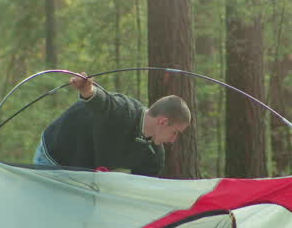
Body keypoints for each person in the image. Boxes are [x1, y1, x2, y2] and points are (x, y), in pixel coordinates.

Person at [33, 73, 191, 176]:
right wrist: (87, 89)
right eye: (175, 132)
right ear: (163, 121)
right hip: (54, 158)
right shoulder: (123, 110)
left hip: (86, 176)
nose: (172, 140)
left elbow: (141, 190)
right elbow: (102, 101)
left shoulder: (154, 155)